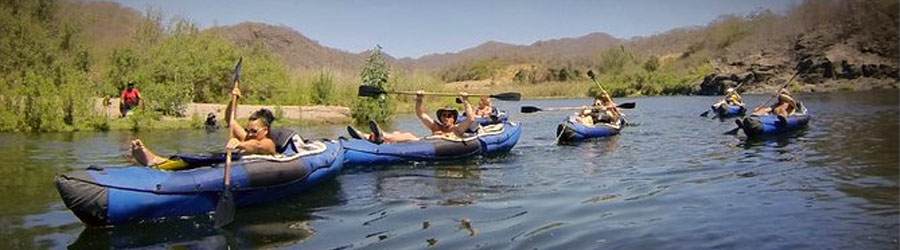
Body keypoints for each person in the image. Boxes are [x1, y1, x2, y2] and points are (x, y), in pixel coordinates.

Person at [130, 85, 297, 169]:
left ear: (265, 131)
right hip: (225, 161)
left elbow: (257, 145)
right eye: (248, 130)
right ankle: (156, 160)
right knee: (200, 158)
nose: (249, 134)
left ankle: (156, 161)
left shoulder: (268, 143)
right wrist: (234, 100)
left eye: (254, 131)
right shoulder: (247, 136)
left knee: (204, 163)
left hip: (249, 168)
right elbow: (230, 119)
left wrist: (240, 144)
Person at [347, 91, 475, 144]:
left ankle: (380, 136)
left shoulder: (457, 129)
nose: (446, 118)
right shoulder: (436, 126)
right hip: (424, 144)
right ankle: (366, 136)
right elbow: (421, 114)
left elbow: (471, 119)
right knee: (398, 133)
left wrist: (465, 100)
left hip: (433, 148)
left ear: (453, 118)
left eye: (449, 116)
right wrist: (419, 99)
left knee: (407, 135)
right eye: (444, 115)